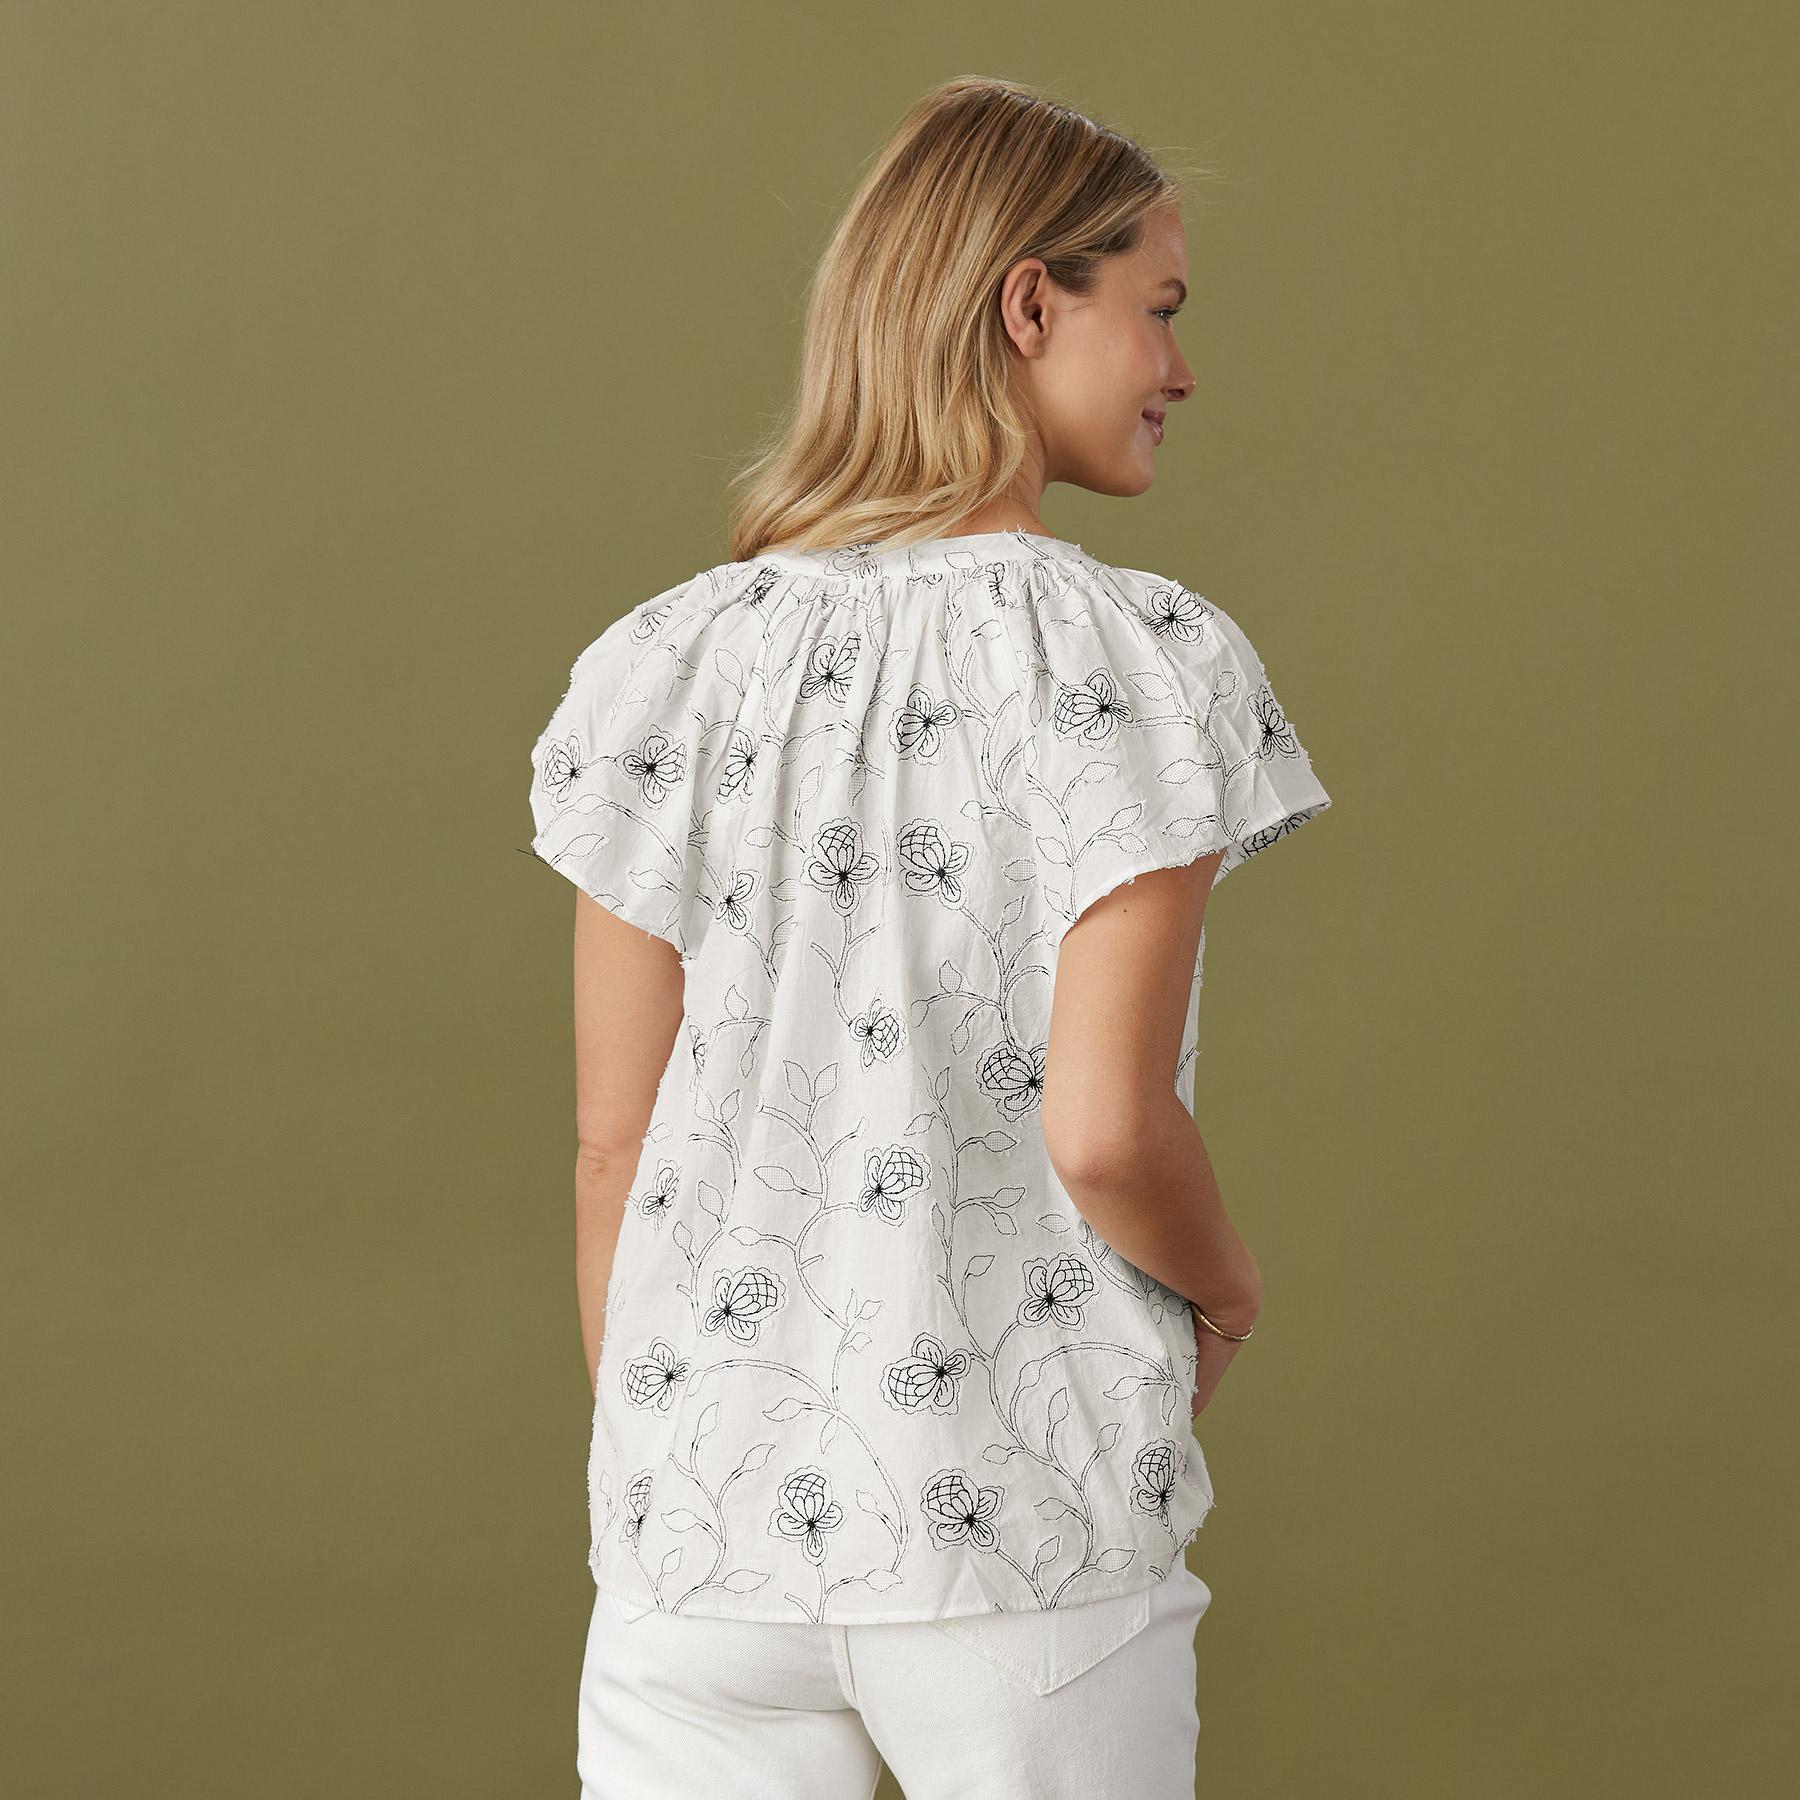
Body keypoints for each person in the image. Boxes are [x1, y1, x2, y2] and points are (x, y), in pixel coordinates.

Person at [525, 74, 1332, 1800]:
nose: (1182, 367)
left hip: (694, 1540)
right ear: (1031, 304)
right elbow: (1104, 1129)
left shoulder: (664, 664)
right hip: (1019, 1537)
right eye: (1159, 309)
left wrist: (676, 1467)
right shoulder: (1141, 660)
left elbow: (613, 1145)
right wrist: (1230, 1290)